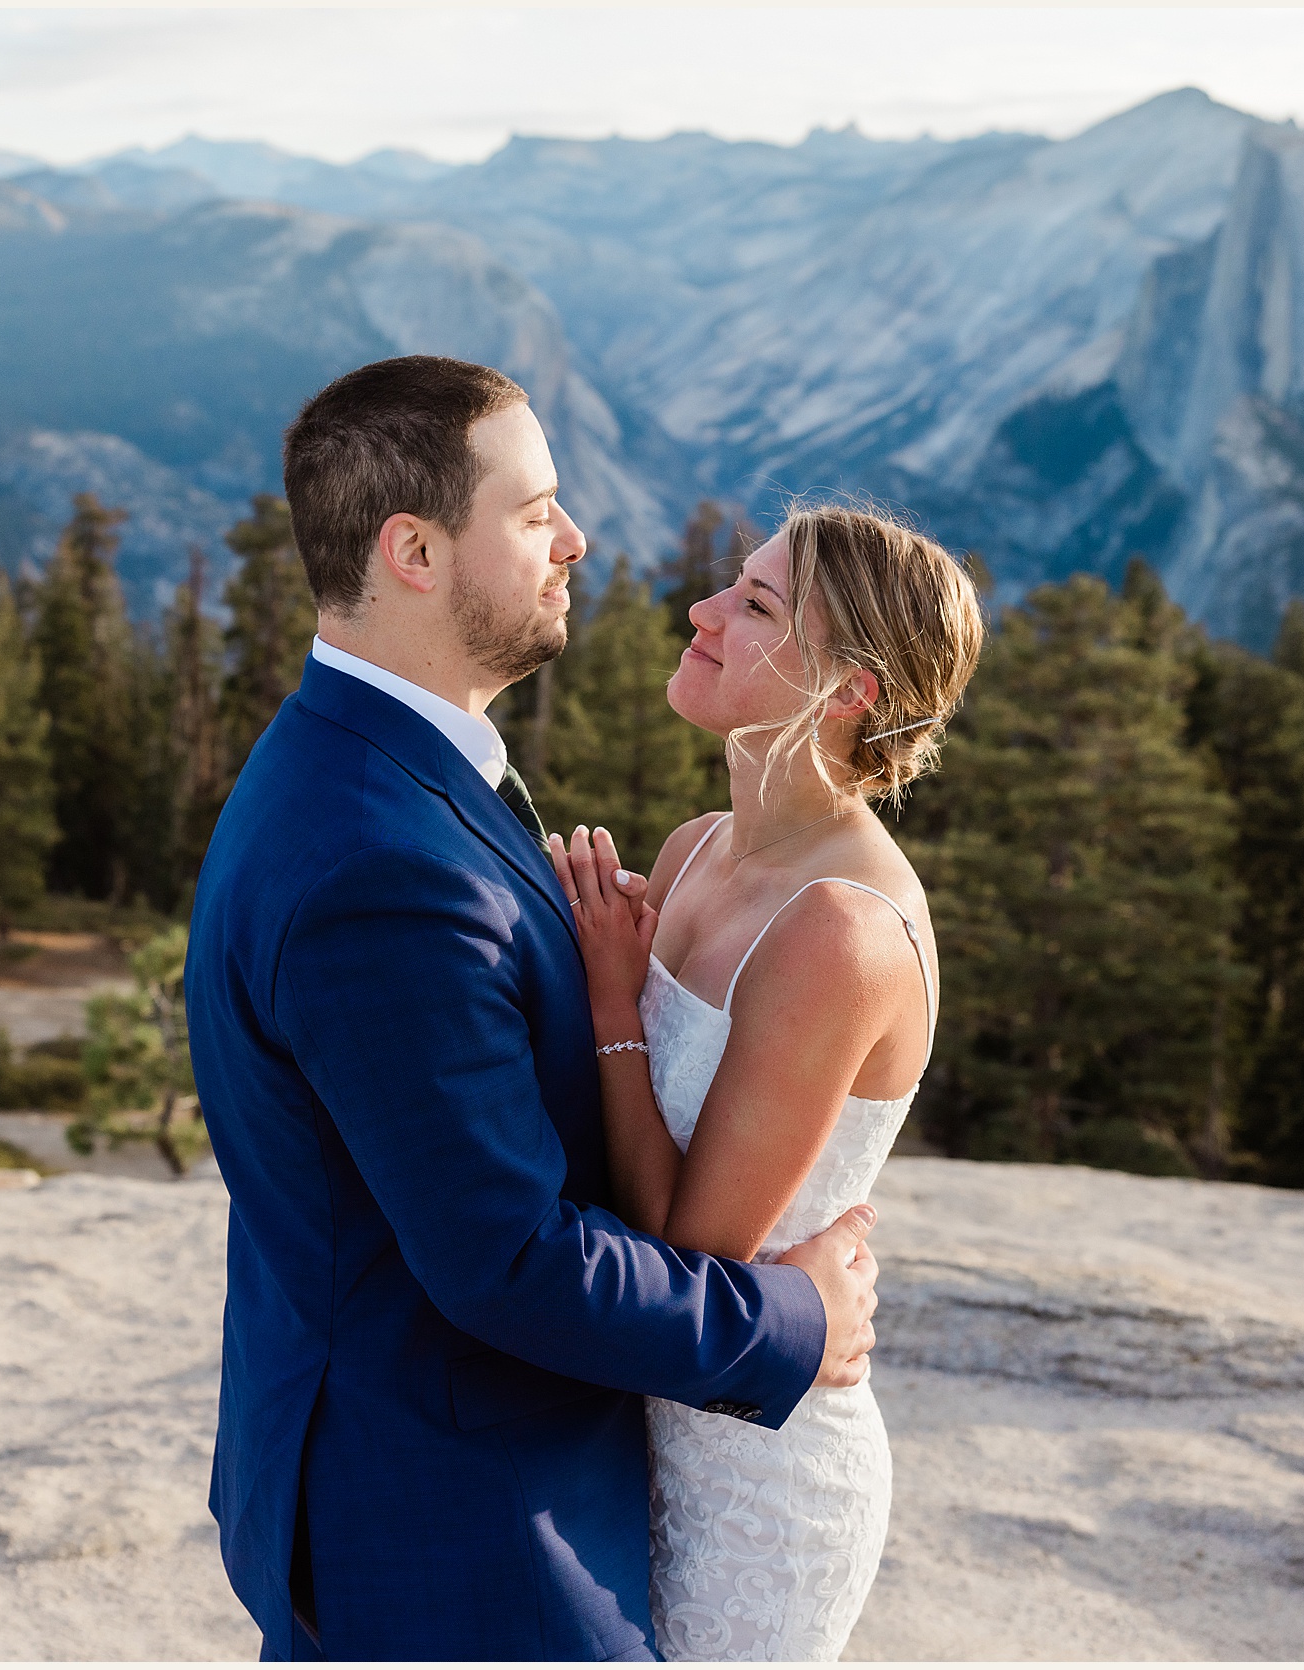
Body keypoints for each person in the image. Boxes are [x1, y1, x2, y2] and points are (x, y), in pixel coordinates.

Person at [186, 356, 883, 1661]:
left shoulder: (374, 764)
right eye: (534, 512)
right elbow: (506, 1261)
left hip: (419, 1492)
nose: (576, 540)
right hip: (462, 1544)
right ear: (413, 550)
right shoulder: (377, 866)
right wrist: (794, 1320)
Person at [548, 504, 985, 1658]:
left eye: (753, 607)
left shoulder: (837, 931)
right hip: (628, 1428)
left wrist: (607, 997)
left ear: (852, 690)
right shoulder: (697, 847)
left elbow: (688, 1251)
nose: (700, 612)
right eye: (728, 586)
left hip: (758, 1484)